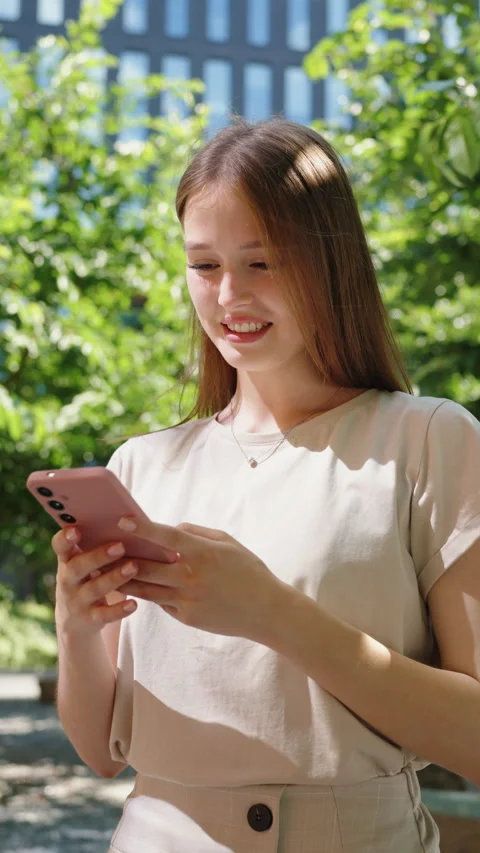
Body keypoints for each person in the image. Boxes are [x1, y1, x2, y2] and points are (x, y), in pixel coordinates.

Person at [52, 116, 480, 853]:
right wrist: (75, 623)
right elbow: (100, 750)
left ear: (332, 262)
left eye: (263, 262)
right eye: (205, 265)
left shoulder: (430, 438)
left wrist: (271, 612)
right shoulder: (140, 466)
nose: (229, 297)